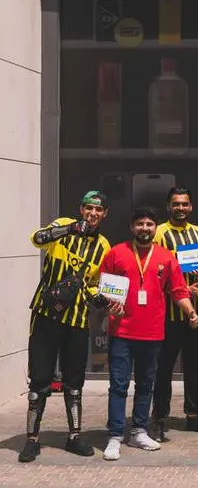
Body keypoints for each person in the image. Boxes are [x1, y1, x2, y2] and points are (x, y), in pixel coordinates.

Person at [99, 207, 198, 461]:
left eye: (149, 224)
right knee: (118, 386)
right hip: (122, 331)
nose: (144, 228)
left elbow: (178, 291)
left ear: (156, 228)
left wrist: (190, 312)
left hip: (152, 332)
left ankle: (139, 431)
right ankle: (115, 436)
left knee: (146, 385)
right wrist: (108, 305)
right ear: (132, 227)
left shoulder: (166, 257)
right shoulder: (116, 252)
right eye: (140, 224)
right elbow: (103, 287)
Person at [19, 191, 111, 463]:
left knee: (74, 381)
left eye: (98, 210)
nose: (93, 213)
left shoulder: (103, 245)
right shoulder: (62, 225)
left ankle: (74, 436)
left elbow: (94, 283)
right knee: (39, 380)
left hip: (78, 320)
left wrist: (98, 297)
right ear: (81, 208)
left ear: (105, 214)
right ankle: (32, 439)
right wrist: (69, 229)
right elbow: (36, 239)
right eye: (89, 208)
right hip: (46, 314)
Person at [152, 187, 198, 439]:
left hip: (197, 312)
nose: (180, 208)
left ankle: (193, 414)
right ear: (169, 206)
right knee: (163, 369)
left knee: (195, 367)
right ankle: (159, 418)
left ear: (191, 207)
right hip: (167, 314)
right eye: (176, 204)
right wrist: (181, 285)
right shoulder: (158, 233)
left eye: (184, 204)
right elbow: (154, 271)